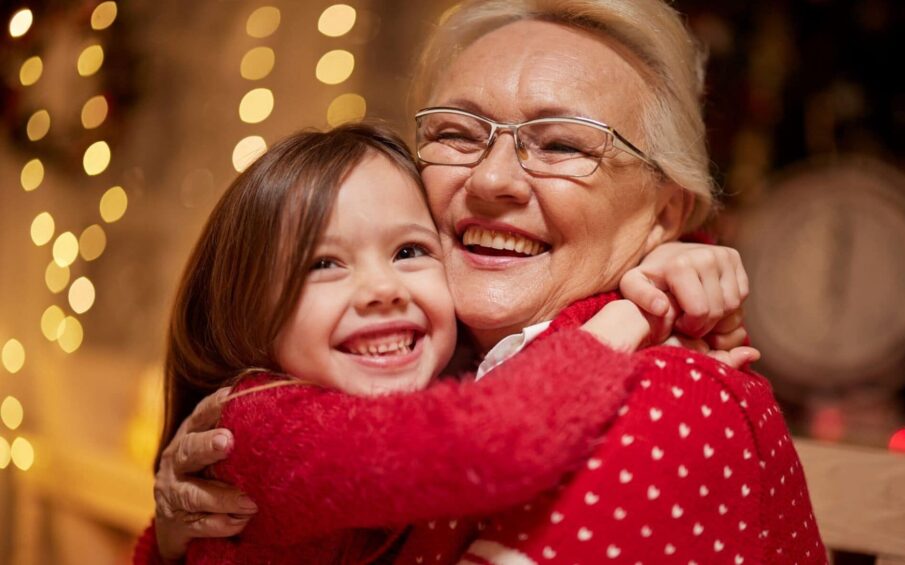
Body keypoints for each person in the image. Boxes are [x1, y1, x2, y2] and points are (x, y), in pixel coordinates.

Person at [148, 0, 827, 563]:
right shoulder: (430, 377)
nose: (493, 179)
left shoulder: (670, 400)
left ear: (665, 213)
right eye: (458, 133)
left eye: (562, 143)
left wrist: (652, 299)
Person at [133, 122, 753, 563]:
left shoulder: (435, 378)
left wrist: (673, 261)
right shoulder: (261, 425)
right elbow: (489, 441)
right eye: (322, 264)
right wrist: (631, 319)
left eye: (409, 251)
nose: (382, 289)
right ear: (246, 308)